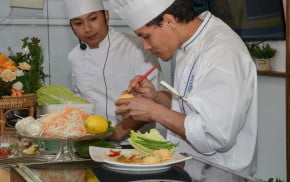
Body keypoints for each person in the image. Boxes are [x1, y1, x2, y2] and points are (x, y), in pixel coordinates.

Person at [111, 0, 257, 180]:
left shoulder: (222, 51)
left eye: (146, 36)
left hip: (220, 174)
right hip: (191, 169)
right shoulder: (187, 42)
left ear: (169, 21)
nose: (146, 46)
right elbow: (193, 106)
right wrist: (156, 97)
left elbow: (215, 135)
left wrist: (154, 112)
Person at [63, 0, 162, 142]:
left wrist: (118, 133)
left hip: (137, 144)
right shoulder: (74, 57)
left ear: (106, 16)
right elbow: (80, 103)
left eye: (93, 19)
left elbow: (153, 100)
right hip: (95, 142)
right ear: (71, 27)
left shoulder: (138, 47)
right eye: (78, 23)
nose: (87, 29)